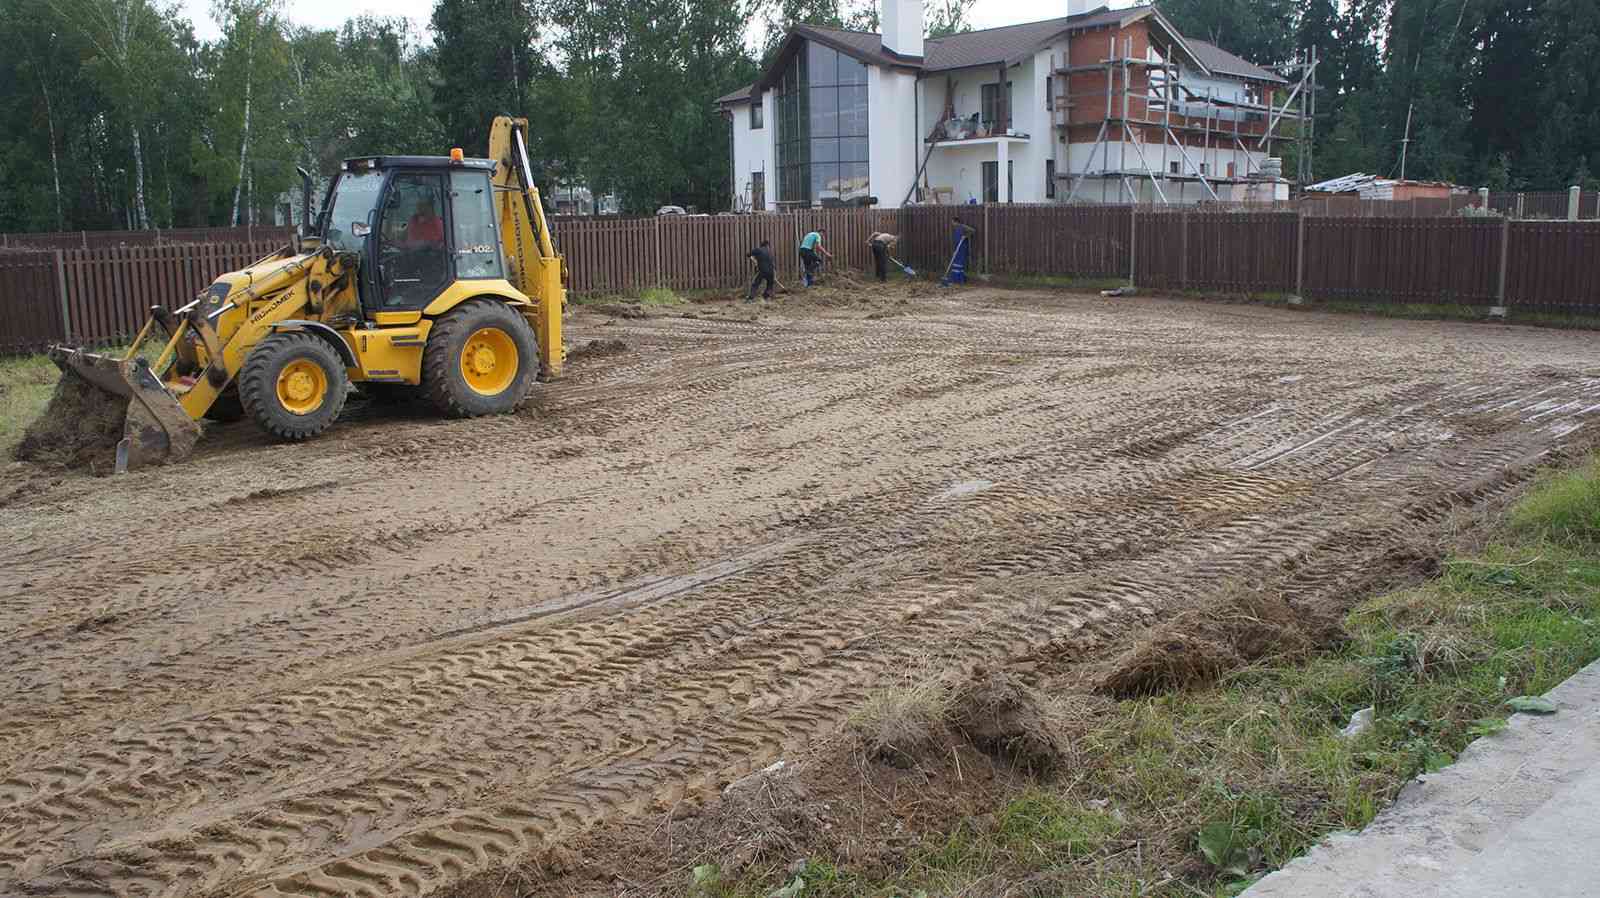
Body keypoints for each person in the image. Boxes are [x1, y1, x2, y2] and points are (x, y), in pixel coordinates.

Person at [948, 216, 976, 284]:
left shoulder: (963, 226)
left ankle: (960, 278)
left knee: (960, 263)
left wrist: (966, 236)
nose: (952, 223)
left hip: (962, 247)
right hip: (957, 247)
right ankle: (955, 278)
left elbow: (973, 230)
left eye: (953, 222)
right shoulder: (956, 228)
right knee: (956, 262)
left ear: (956, 221)